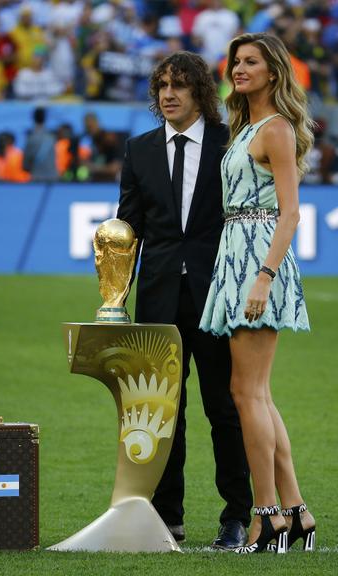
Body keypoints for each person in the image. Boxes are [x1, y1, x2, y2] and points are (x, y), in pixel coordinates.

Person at [117, 50, 252, 548]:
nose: (168, 94)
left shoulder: (231, 143)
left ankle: (236, 514)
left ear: (200, 91)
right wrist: (116, 298)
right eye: (161, 87)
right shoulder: (140, 149)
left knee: (225, 408)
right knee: (162, 414)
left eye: (179, 85)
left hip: (218, 298)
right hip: (157, 301)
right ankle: (166, 517)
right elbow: (127, 229)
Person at [200, 32, 316, 554]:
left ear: (273, 71)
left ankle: (268, 517)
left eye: (251, 62)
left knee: (247, 395)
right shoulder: (245, 126)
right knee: (256, 394)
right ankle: (295, 511)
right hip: (237, 253)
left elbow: (290, 211)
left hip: (258, 260)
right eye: (236, 62)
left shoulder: (277, 131)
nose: (239, 69)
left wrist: (264, 278)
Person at [23, 107, 58, 181]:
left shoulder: (31, 138)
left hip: (37, 177)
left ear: (33, 118)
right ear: (45, 118)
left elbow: (25, 165)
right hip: (53, 177)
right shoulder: (52, 137)